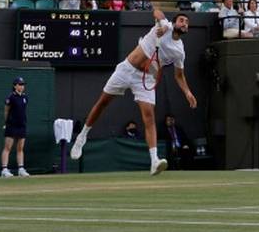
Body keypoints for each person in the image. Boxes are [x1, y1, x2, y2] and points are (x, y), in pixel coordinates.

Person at [70, 10, 197, 176]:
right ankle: (82, 137)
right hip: (127, 70)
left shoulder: (179, 51)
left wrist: (187, 92)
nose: (184, 24)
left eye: (187, 22)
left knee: (149, 116)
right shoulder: (164, 25)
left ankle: (154, 161)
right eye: (181, 20)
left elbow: (179, 75)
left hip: (145, 80)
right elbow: (157, 12)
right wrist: (163, 26)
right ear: (174, 22)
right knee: (102, 103)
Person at [0, 77, 29, 178]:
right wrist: (6, 122)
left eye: (23, 84)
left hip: (22, 125)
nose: (22, 86)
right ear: (15, 86)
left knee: (20, 148)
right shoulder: (11, 97)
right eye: (20, 84)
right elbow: (6, 111)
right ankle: (4, 170)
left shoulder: (25, 97)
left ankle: (21, 169)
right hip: (12, 125)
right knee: (8, 148)